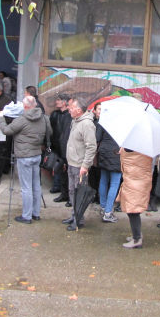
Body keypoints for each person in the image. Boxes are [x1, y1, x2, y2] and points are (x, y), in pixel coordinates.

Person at [0, 95, 52, 224]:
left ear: (24, 106)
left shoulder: (21, 120)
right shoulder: (45, 118)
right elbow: (49, 132)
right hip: (36, 154)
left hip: (24, 156)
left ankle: (27, 216)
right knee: (36, 185)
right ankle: (36, 213)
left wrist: (0, 118)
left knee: (26, 187)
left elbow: (6, 130)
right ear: (35, 104)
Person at [61, 97, 96, 231]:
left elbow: (91, 147)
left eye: (72, 107)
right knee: (72, 192)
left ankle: (78, 220)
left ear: (79, 110)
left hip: (79, 165)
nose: (69, 109)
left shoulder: (86, 124)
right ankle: (74, 216)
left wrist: (85, 165)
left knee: (78, 194)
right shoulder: (76, 121)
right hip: (72, 162)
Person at [119, 147, 153, 249]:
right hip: (141, 180)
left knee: (132, 209)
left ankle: (137, 239)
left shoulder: (131, 147)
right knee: (134, 208)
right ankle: (137, 234)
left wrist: (123, 150)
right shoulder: (146, 147)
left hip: (134, 181)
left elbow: (127, 160)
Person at [96, 102, 123, 223]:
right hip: (116, 153)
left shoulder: (104, 120)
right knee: (115, 183)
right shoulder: (124, 123)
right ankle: (108, 212)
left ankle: (103, 207)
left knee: (103, 179)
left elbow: (97, 138)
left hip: (104, 151)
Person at [49, 93, 72, 199]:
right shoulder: (54, 114)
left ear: (64, 103)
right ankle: (57, 187)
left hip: (66, 148)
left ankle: (65, 193)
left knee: (65, 171)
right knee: (57, 167)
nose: (56, 101)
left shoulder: (69, 116)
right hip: (56, 146)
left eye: (58, 100)